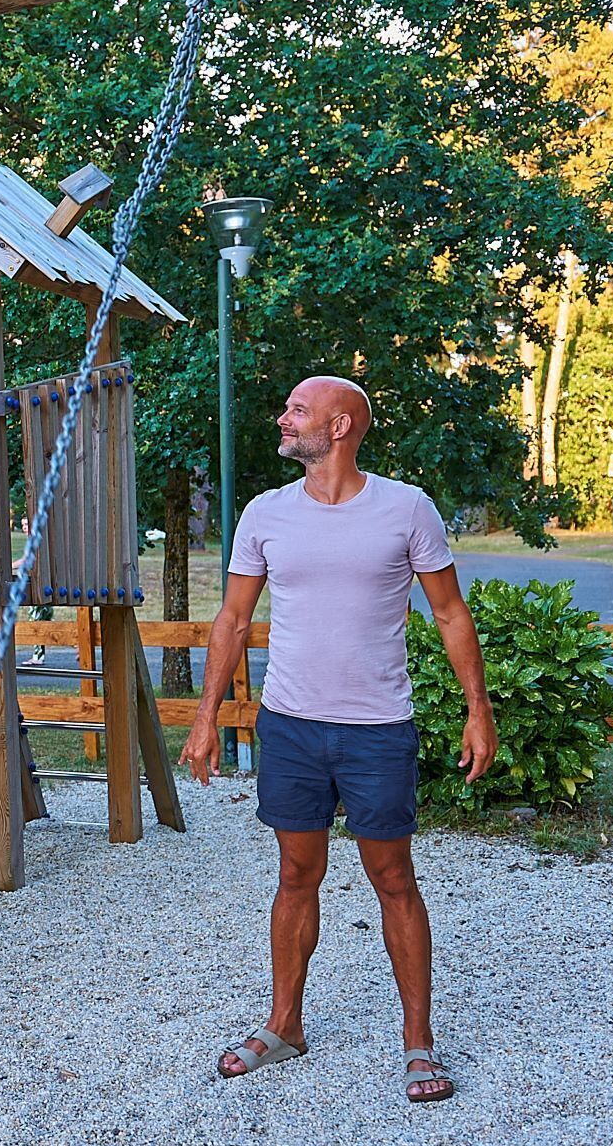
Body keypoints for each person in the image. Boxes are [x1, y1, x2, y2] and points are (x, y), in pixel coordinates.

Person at [177, 376, 496, 1105]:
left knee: (392, 877)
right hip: (289, 725)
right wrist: (204, 718)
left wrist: (478, 711)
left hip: (377, 728)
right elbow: (230, 620)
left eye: (295, 409)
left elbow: (449, 614)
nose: (281, 416)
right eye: (285, 405)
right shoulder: (264, 513)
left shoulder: (405, 508)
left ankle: (417, 1043)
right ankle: (283, 1025)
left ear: (340, 423)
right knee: (295, 875)